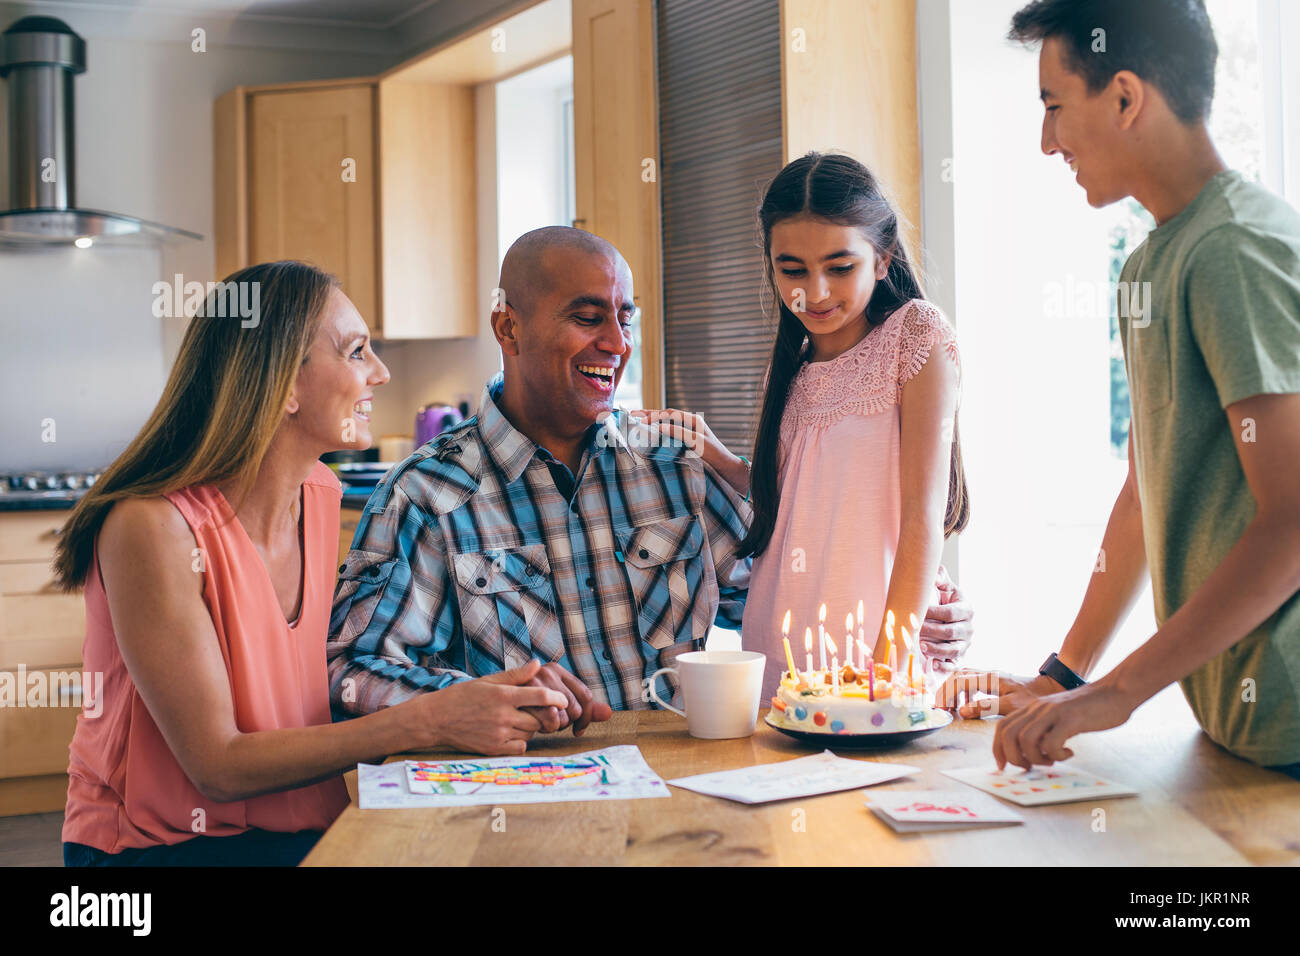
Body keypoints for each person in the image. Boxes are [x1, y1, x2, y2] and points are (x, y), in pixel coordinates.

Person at [328, 226, 976, 723]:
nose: (617, 342)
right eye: (588, 318)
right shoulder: (426, 493)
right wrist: (474, 700)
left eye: (625, 317)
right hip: (523, 797)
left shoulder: (675, 467)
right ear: (509, 328)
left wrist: (909, 614)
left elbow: (790, 589)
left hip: (681, 782)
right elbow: (353, 671)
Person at [53, 261, 569, 867]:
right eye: (356, 352)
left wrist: (476, 695)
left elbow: (329, 681)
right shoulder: (153, 527)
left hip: (299, 825)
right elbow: (216, 766)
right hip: (159, 847)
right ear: (284, 386)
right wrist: (426, 721)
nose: (380, 372)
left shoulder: (320, 495)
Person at [938, 0, 1300, 779]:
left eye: (1053, 108)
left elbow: (1295, 518)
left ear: (1127, 98)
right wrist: (1065, 679)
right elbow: (1145, 494)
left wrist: (1117, 695)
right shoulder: (1145, 268)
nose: (1046, 142)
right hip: (1238, 733)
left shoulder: (1235, 249)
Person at [637, 153, 972, 701]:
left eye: (840, 268)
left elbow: (922, 517)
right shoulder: (789, 364)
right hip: (780, 632)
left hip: (874, 649)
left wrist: (886, 669)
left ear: (882, 259)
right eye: (792, 270)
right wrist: (717, 456)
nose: (814, 293)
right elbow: (792, 502)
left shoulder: (917, 335)